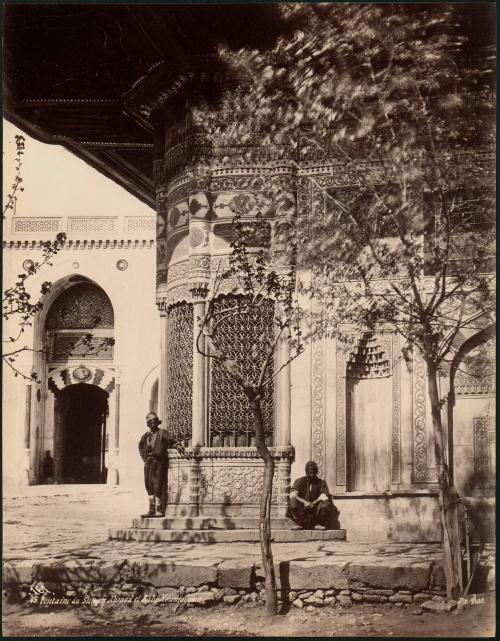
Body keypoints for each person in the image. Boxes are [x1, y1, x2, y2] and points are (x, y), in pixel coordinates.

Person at [138, 411, 181, 518]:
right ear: (148, 424)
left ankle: (159, 510)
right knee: (148, 485)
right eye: (150, 422)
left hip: (158, 462)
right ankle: (151, 510)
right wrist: (145, 458)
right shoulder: (145, 436)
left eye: (154, 421)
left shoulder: (163, 433)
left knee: (157, 485)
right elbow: (140, 447)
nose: (153, 423)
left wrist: (178, 445)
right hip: (149, 463)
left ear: (158, 422)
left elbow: (171, 442)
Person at [286, 460, 336, 530]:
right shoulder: (299, 481)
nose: (311, 475)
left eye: (313, 473)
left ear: (316, 472)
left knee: (326, 504)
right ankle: (299, 523)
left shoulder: (321, 483)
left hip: (315, 508)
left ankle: (317, 524)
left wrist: (314, 503)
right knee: (292, 501)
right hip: (302, 508)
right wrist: (304, 502)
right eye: (310, 473)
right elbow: (292, 494)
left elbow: (324, 496)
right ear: (306, 472)